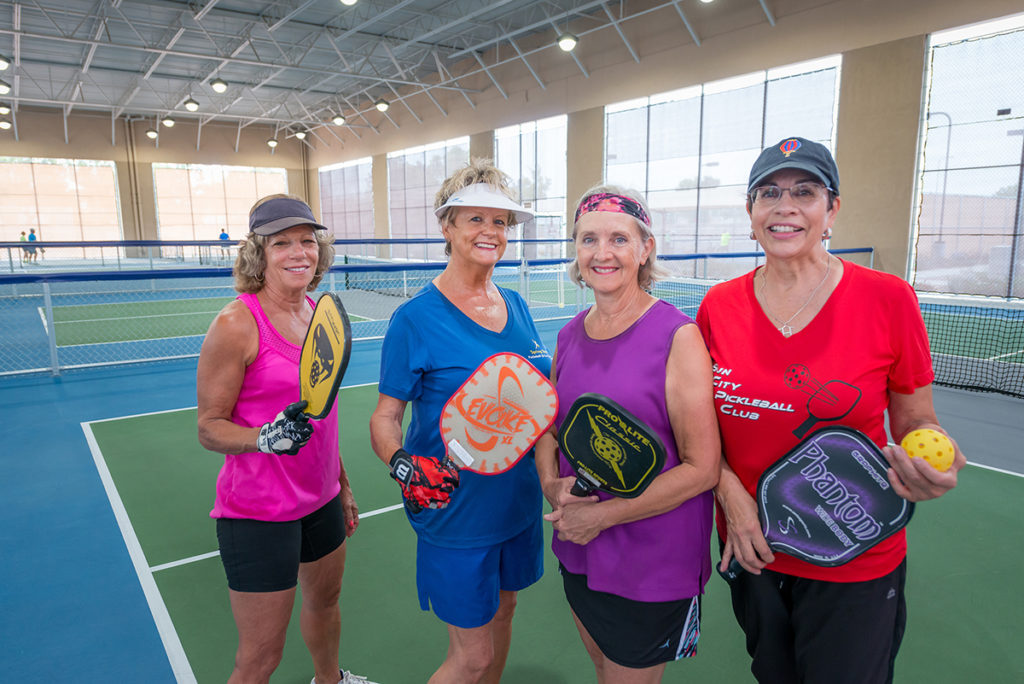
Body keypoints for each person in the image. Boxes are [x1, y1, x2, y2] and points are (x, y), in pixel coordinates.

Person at [695, 137, 966, 684]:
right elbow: (699, 434)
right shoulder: (717, 307)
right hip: (754, 545)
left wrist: (935, 463)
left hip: (854, 551)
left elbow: (916, 421)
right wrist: (732, 499)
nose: (785, 205)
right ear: (751, 213)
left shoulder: (888, 299)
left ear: (831, 209)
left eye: (805, 191)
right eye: (768, 192)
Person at [368, 159, 551, 684]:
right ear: (447, 226)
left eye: (500, 222)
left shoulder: (516, 304)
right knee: (469, 657)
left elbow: (535, 402)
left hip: (516, 502)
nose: (490, 232)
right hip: (457, 512)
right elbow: (386, 416)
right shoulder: (415, 318)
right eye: (475, 219)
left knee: (504, 618)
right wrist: (402, 464)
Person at [534, 185, 721, 684]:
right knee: (601, 666)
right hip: (578, 545)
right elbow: (551, 428)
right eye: (588, 239)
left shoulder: (678, 337)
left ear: (645, 249)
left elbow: (702, 469)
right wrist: (551, 486)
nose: (602, 253)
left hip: (651, 560)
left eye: (619, 238)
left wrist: (606, 516)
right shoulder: (569, 334)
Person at [196, 194, 375, 684]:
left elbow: (324, 413)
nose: (299, 252)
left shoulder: (318, 314)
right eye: (282, 244)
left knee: (325, 604)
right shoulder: (236, 323)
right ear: (260, 253)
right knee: (260, 659)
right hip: (257, 513)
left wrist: (342, 485)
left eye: (306, 241)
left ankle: (329, 681)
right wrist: (264, 439)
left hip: (320, 500)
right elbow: (209, 427)